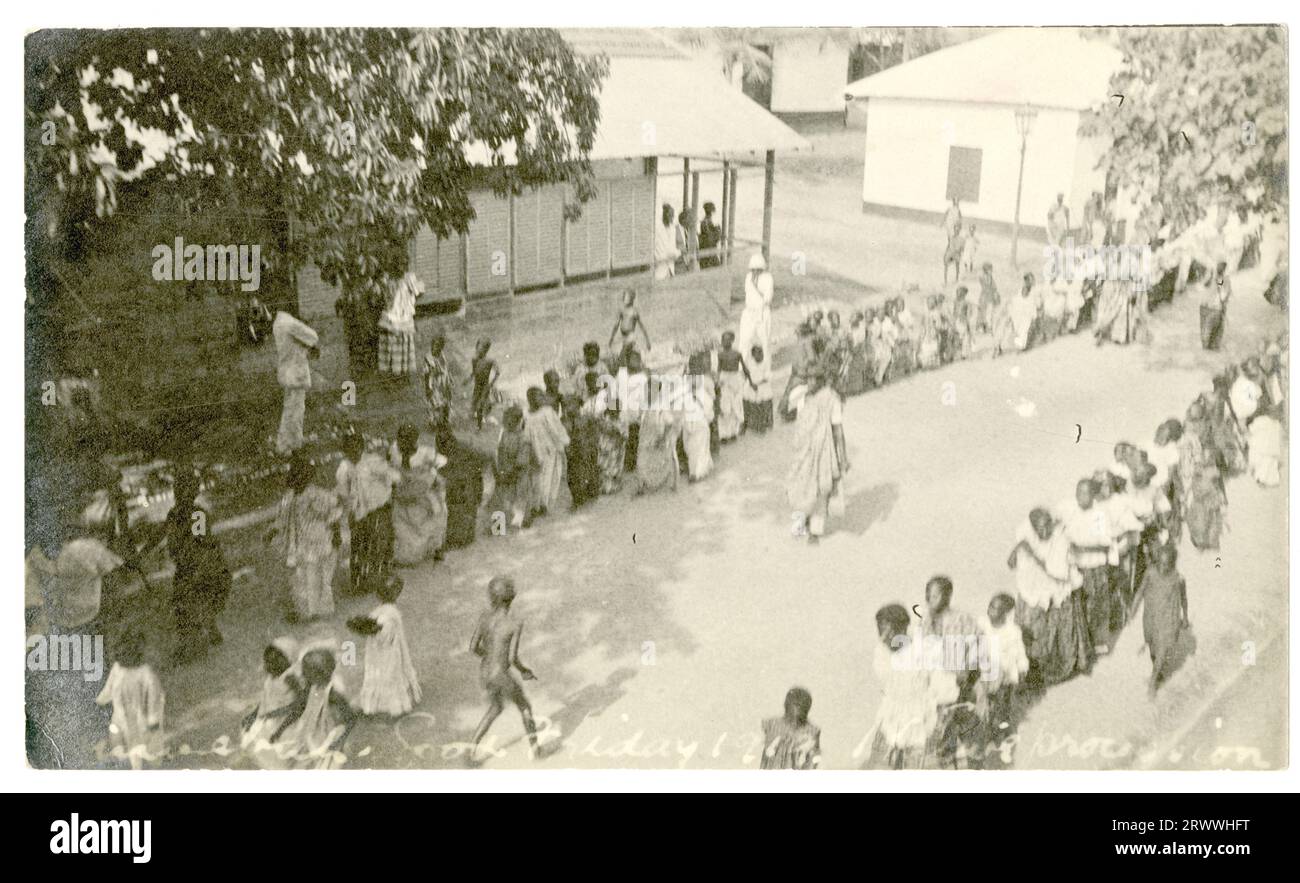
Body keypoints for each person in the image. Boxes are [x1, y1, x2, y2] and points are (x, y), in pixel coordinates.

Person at [866, 604, 959, 770]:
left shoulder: (924, 650)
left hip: (922, 719)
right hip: (892, 717)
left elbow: (943, 686)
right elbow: (887, 680)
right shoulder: (882, 653)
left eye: (891, 631)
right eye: (881, 631)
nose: (885, 637)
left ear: (903, 628)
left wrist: (940, 721)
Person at [1009, 508, 1092, 685]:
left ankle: (1063, 664)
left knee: (1060, 624)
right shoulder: (1027, 537)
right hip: (1036, 587)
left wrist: (1032, 554)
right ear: (1033, 529)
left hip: (1057, 584)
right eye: (1041, 528)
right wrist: (1018, 547)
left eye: (1048, 525)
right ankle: (1031, 668)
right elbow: (1011, 563)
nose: (1046, 530)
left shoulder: (1060, 540)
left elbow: (1059, 573)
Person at [470, 576, 540, 762]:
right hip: (501, 674)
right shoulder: (514, 624)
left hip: (485, 672)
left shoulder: (484, 618)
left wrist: (490, 655)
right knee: (525, 706)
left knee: (495, 708)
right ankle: (536, 750)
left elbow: (473, 647)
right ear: (511, 598)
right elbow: (512, 658)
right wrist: (525, 671)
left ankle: (471, 748)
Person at [164, 468, 230, 663]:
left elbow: (200, 541)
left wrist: (197, 565)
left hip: (196, 565)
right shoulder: (175, 514)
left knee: (192, 602)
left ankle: (197, 641)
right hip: (186, 565)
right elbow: (166, 535)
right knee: (192, 603)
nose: (178, 494)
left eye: (182, 490)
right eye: (177, 490)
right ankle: (208, 632)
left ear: (191, 492)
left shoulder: (196, 514)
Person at [268, 451, 342, 622]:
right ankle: (306, 610)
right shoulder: (288, 498)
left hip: (316, 538)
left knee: (316, 573)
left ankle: (319, 609)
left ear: (307, 477)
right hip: (297, 540)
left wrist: (336, 533)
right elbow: (282, 518)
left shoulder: (315, 495)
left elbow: (333, 512)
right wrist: (273, 530)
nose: (296, 480)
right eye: (294, 476)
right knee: (299, 576)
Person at [267, 646, 358, 770]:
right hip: (310, 733)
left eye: (306, 671)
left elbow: (351, 719)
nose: (302, 674)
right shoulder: (311, 688)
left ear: (319, 674)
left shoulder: (333, 695)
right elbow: (298, 710)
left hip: (326, 736)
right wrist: (279, 730)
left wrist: (340, 740)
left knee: (325, 765)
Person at [786, 362, 848, 543]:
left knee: (821, 488)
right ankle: (799, 522)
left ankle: (815, 530)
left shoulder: (831, 399)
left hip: (823, 450)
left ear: (823, 381)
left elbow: (838, 430)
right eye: (808, 378)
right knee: (800, 486)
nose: (811, 382)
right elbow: (789, 413)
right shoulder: (800, 396)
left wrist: (843, 457)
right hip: (802, 449)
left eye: (815, 379)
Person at [348, 576, 422, 717]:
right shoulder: (389, 614)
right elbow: (383, 634)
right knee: (389, 675)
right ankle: (392, 705)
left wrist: (366, 627)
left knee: (380, 674)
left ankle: (380, 704)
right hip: (389, 653)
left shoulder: (382, 613)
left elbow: (381, 633)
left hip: (381, 651)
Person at [335, 433, 397, 596]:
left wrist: (388, 490)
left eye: (356, 448)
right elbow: (342, 492)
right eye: (349, 450)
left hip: (378, 507)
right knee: (360, 545)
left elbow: (390, 476)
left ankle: (381, 578)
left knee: (380, 542)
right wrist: (346, 510)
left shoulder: (372, 462)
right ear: (345, 451)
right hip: (358, 512)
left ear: (362, 448)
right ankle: (361, 583)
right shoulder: (344, 468)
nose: (353, 452)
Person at [95, 627, 164, 769]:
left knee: (145, 745)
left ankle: (152, 764)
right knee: (134, 745)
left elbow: (153, 696)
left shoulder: (142, 673)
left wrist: (152, 718)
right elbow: (109, 689)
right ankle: (141, 766)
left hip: (138, 716)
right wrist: (101, 700)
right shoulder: (121, 669)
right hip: (128, 717)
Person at [1061, 478, 1115, 653]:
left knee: (1097, 604)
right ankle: (1081, 644)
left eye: (1085, 493)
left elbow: (1105, 543)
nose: (1080, 496)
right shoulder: (1070, 511)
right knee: (1078, 606)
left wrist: (1081, 548)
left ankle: (1099, 641)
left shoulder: (1099, 515)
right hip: (1075, 566)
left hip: (1094, 566)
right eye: (1078, 492)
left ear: (1093, 495)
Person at [975, 593, 1029, 760]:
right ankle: (981, 739)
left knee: (1001, 709)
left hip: (1004, 676)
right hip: (985, 673)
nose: (990, 611)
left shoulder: (1012, 631)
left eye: (996, 609)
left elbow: (1020, 652)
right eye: (990, 606)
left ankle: (1001, 739)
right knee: (982, 708)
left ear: (1006, 614)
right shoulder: (981, 624)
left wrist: (1022, 667)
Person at [389, 424, 447, 565]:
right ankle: (407, 550)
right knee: (401, 522)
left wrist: (430, 475)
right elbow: (391, 466)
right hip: (403, 493)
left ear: (415, 441)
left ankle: (436, 547)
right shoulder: (394, 451)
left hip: (421, 493)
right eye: (400, 441)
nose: (403, 445)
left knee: (434, 517)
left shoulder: (425, 453)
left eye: (407, 441)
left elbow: (441, 464)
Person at [1139, 544, 1190, 696]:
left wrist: (1185, 617)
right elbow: (1140, 592)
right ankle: (1157, 669)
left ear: (1172, 564)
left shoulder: (1178, 579)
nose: (1162, 567)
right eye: (1160, 563)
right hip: (1152, 616)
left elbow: (1184, 599)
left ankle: (1153, 683)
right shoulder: (1150, 573)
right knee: (1153, 647)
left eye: (1166, 564)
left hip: (1169, 618)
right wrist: (1132, 611)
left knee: (1162, 649)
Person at [240, 636, 305, 754]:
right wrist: (254, 714)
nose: (270, 665)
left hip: (288, 719)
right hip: (270, 715)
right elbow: (266, 698)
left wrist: (280, 730)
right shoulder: (271, 677)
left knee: (281, 747)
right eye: (268, 661)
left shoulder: (289, 678)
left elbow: (300, 706)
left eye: (276, 661)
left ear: (289, 661)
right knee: (252, 736)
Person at [272, 309, 320, 455]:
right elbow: (313, 336)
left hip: (288, 372)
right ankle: (285, 445)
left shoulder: (278, 322)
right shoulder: (289, 323)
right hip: (295, 374)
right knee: (294, 411)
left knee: (293, 409)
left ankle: (294, 441)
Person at [1179, 402, 1226, 550]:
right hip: (1196, 470)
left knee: (1206, 500)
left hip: (1200, 467)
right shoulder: (1188, 434)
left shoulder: (1204, 427)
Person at [523, 386, 569, 522]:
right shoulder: (526, 414)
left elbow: (556, 429)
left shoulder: (547, 412)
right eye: (538, 396)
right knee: (537, 479)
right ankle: (536, 505)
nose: (542, 399)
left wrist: (563, 442)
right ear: (530, 399)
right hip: (535, 450)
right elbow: (524, 432)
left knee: (549, 477)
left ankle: (545, 504)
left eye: (543, 396)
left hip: (549, 449)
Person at [759, 687, 821, 770]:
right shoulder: (772, 724)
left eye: (803, 705)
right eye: (796, 704)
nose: (799, 709)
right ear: (786, 704)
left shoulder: (812, 731)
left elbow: (814, 760)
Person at [493, 405, 533, 528]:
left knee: (518, 498)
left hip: (517, 474)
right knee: (506, 499)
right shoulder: (506, 435)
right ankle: (499, 527)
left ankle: (520, 523)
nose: (506, 424)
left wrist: (506, 472)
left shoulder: (523, 438)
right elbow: (499, 452)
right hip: (508, 472)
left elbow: (522, 461)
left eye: (508, 421)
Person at [377, 271, 419, 378]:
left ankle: (400, 370)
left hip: (401, 314)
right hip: (395, 314)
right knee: (395, 341)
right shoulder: (389, 281)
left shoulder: (406, 280)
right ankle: (395, 370)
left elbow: (415, 292)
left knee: (400, 341)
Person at [564, 393, 601, 508]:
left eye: (571, 405)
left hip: (587, 449)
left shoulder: (587, 418)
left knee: (590, 470)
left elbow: (595, 432)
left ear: (578, 405)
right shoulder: (564, 421)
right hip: (573, 452)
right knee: (573, 475)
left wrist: (593, 445)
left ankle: (592, 491)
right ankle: (577, 498)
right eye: (566, 405)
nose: (569, 408)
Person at [738, 252, 774, 365]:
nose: (754, 272)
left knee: (765, 341)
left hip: (762, 313)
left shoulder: (768, 278)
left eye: (757, 269)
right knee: (744, 340)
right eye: (752, 269)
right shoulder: (748, 277)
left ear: (762, 269)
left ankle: (766, 365)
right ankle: (741, 365)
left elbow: (768, 298)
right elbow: (747, 294)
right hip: (749, 313)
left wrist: (756, 285)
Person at [680, 372, 714, 482]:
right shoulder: (684, 395)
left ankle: (695, 473)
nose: (693, 383)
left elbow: (709, 411)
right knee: (690, 448)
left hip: (700, 425)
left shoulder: (703, 395)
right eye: (691, 381)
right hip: (688, 425)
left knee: (699, 448)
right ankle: (697, 468)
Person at [716, 332, 746, 442]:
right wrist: (717, 381)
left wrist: (750, 380)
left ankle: (733, 432)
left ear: (732, 341)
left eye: (727, 340)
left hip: (735, 379)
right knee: (725, 406)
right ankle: (724, 434)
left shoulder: (737, 354)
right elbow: (719, 369)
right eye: (723, 340)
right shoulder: (720, 354)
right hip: (724, 379)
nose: (725, 342)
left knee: (736, 405)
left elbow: (744, 367)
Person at [423, 334, 454, 430]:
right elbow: (426, 374)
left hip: (444, 383)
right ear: (432, 345)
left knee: (446, 402)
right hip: (434, 383)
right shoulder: (428, 358)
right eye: (434, 345)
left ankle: (445, 420)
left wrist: (450, 380)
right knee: (434, 403)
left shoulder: (442, 356)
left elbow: (446, 368)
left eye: (439, 347)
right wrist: (428, 388)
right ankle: (434, 422)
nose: (436, 348)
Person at [609, 289, 652, 356]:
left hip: (630, 336)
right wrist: (611, 338)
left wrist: (647, 341)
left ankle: (636, 357)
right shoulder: (621, 310)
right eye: (625, 297)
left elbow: (642, 327)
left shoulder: (634, 311)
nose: (626, 299)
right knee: (628, 354)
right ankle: (637, 359)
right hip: (623, 336)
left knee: (624, 353)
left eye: (628, 297)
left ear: (632, 299)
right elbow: (616, 325)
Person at [1199, 261, 1231, 351]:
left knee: (1205, 331)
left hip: (1204, 305)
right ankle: (1212, 347)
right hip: (1215, 308)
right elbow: (1223, 293)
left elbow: (1204, 285)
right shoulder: (1222, 279)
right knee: (1216, 332)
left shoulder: (1209, 276)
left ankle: (1205, 347)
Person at [1247, 406, 1282, 487]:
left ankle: (1264, 479)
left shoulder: (1262, 421)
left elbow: (1251, 429)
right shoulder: (1272, 422)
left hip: (1265, 448)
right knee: (1268, 464)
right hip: (1269, 448)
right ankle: (1267, 480)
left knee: (1266, 464)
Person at [469, 339, 499, 430]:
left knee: (481, 404)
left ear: (486, 349)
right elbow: (474, 371)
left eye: (481, 348)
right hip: (477, 385)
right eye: (477, 347)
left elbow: (498, 372)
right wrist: (468, 379)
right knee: (475, 403)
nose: (478, 350)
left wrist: (492, 383)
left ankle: (479, 426)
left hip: (485, 385)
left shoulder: (490, 360)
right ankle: (480, 420)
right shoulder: (474, 359)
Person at [1009, 273, 1040, 352]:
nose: (1031, 282)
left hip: (1029, 313)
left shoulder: (1034, 291)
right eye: (1029, 280)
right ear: (1026, 281)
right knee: (1021, 328)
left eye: (1032, 280)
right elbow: (1016, 302)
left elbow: (1036, 303)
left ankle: (1025, 344)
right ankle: (1023, 344)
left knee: (1026, 327)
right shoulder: (1021, 290)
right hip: (1020, 312)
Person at [654, 203, 682, 280]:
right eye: (669, 215)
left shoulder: (673, 229)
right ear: (664, 215)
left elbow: (672, 247)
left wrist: (677, 252)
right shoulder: (657, 229)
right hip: (660, 268)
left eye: (672, 216)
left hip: (670, 268)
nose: (671, 218)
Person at [976, 262, 999, 335]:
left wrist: (995, 292)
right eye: (990, 269)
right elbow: (986, 286)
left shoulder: (990, 277)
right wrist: (992, 289)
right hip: (985, 296)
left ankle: (988, 327)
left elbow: (994, 287)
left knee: (990, 312)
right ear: (986, 270)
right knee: (983, 312)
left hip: (990, 297)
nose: (991, 271)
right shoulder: (983, 277)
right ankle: (982, 327)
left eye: (991, 269)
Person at [698, 201, 722, 268]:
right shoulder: (706, 222)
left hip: (709, 250)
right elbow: (711, 237)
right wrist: (718, 231)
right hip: (709, 250)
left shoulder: (706, 221)